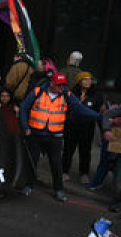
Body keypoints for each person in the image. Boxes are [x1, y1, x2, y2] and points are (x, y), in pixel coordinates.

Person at [18, 72, 101, 201]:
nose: (61, 88)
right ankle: (28, 185)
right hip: (35, 134)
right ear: (51, 83)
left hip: (55, 136)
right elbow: (24, 108)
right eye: (59, 85)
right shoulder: (37, 92)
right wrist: (26, 128)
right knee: (31, 162)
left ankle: (59, 190)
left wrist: (99, 116)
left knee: (57, 164)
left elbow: (80, 109)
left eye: (63, 85)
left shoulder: (66, 94)